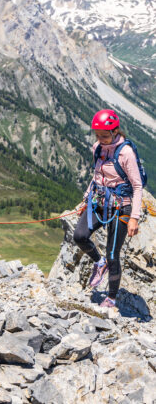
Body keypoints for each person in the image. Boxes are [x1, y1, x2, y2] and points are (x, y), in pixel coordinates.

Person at [73, 109, 144, 308]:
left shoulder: (126, 152)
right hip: (99, 201)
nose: (100, 139)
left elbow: (137, 186)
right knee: (79, 236)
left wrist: (134, 218)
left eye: (104, 135)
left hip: (121, 207)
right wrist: (85, 201)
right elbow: (96, 176)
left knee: (113, 254)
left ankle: (111, 298)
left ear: (115, 131)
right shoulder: (97, 148)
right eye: (97, 135)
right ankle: (98, 262)